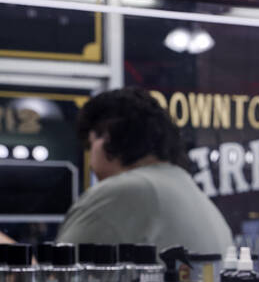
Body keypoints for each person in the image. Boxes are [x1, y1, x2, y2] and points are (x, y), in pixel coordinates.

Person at [56, 87, 233, 254]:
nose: (90, 163)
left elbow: (60, 277)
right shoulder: (186, 187)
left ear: (106, 136)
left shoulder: (121, 192)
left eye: (90, 144)